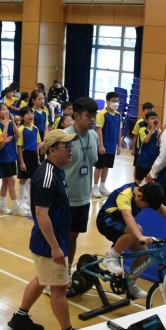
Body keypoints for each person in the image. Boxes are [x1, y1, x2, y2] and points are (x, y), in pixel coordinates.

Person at [8, 129, 79, 330]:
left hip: (54, 239)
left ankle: (20, 317)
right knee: (59, 288)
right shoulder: (47, 176)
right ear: (52, 150)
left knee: (42, 278)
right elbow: (41, 214)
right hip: (49, 243)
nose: (70, 149)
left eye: (71, 145)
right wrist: (55, 247)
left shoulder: (57, 170)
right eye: (66, 146)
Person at [98, 181, 166, 300]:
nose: (146, 208)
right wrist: (140, 236)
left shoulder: (145, 193)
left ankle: (130, 285)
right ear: (139, 196)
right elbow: (127, 216)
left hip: (122, 224)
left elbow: (161, 208)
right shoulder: (125, 194)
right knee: (137, 229)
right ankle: (111, 258)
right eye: (146, 206)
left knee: (144, 255)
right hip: (106, 221)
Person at [62, 97, 99, 294]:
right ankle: (54, 279)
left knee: (73, 236)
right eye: (89, 116)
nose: (92, 120)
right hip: (64, 198)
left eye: (94, 116)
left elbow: (92, 162)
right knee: (60, 239)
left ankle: (67, 271)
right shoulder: (64, 136)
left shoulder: (93, 136)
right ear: (76, 115)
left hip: (83, 196)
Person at [91, 92, 122, 197]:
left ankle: (102, 186)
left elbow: (119, 131)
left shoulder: (118, 115)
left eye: (117, 101)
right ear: (108, 102)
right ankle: (95, 187)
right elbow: (98, 130)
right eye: (113, 101)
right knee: (99, 166)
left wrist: (119, 145)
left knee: (107, 166)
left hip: (112, 146)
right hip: (103, 145)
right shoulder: (102, 114)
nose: (116, 103)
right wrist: (100, 145)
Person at [0, 104, 23, 216]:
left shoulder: (11, 123)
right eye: (3, 110)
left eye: (7, 109)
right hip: (3, 157)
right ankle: (16, 206)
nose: (6, 111)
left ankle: (1, 204)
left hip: (12, 155)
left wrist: (13, 122)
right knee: (11, 181)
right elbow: (1, 139)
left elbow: (18, 135)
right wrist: (6, 124)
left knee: (6, 182)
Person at [133, 110, 160, 183]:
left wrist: (157, 127)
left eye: (155, 118)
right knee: (138, 181)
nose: (154, 120)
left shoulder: (158, 131)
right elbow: (146, 140)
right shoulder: (142, 130)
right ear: (146, 120)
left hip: (152, 161)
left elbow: (160, 139)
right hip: (142, 160)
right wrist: (152, 129)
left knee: (150, 182)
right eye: (151, 118)